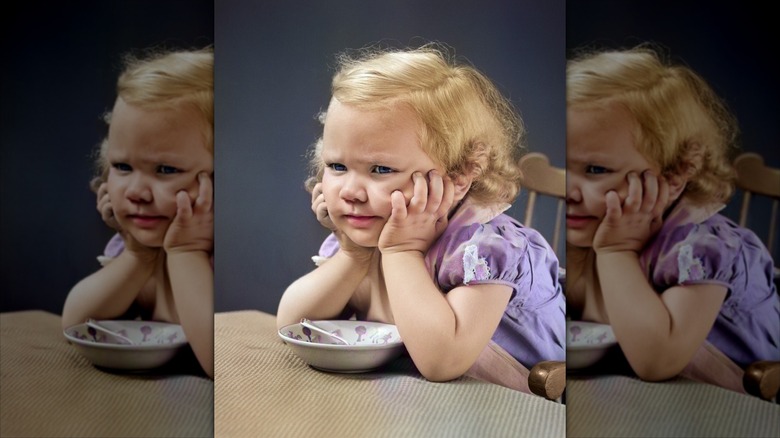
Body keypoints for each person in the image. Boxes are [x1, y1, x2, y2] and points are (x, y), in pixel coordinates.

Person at [277, 44, 565, 392]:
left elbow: (442, 361)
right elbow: (292, 325)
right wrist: (352, 256)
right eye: (337, 166)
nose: (351, 191)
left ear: (460, 175)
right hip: (420, 406)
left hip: (515, 408)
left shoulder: (484, 250)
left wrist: (402, 253)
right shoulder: (364, 235)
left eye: (381, 169)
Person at [565, 45, 779, 391]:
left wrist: (617, 253)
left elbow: (655, 360)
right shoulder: (600, 226)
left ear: (674, 173)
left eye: (595, 169)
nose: (569, 191)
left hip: (739, 407)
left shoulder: (704, 248)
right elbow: (585, 309)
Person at [62, 47, 214, 378]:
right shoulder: (137, 244)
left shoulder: (220, 255)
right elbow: (76, 325)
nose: (136, 192)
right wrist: (138, 254)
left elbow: (218, 362)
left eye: (165, 169)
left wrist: (187, 251)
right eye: (122, 166)